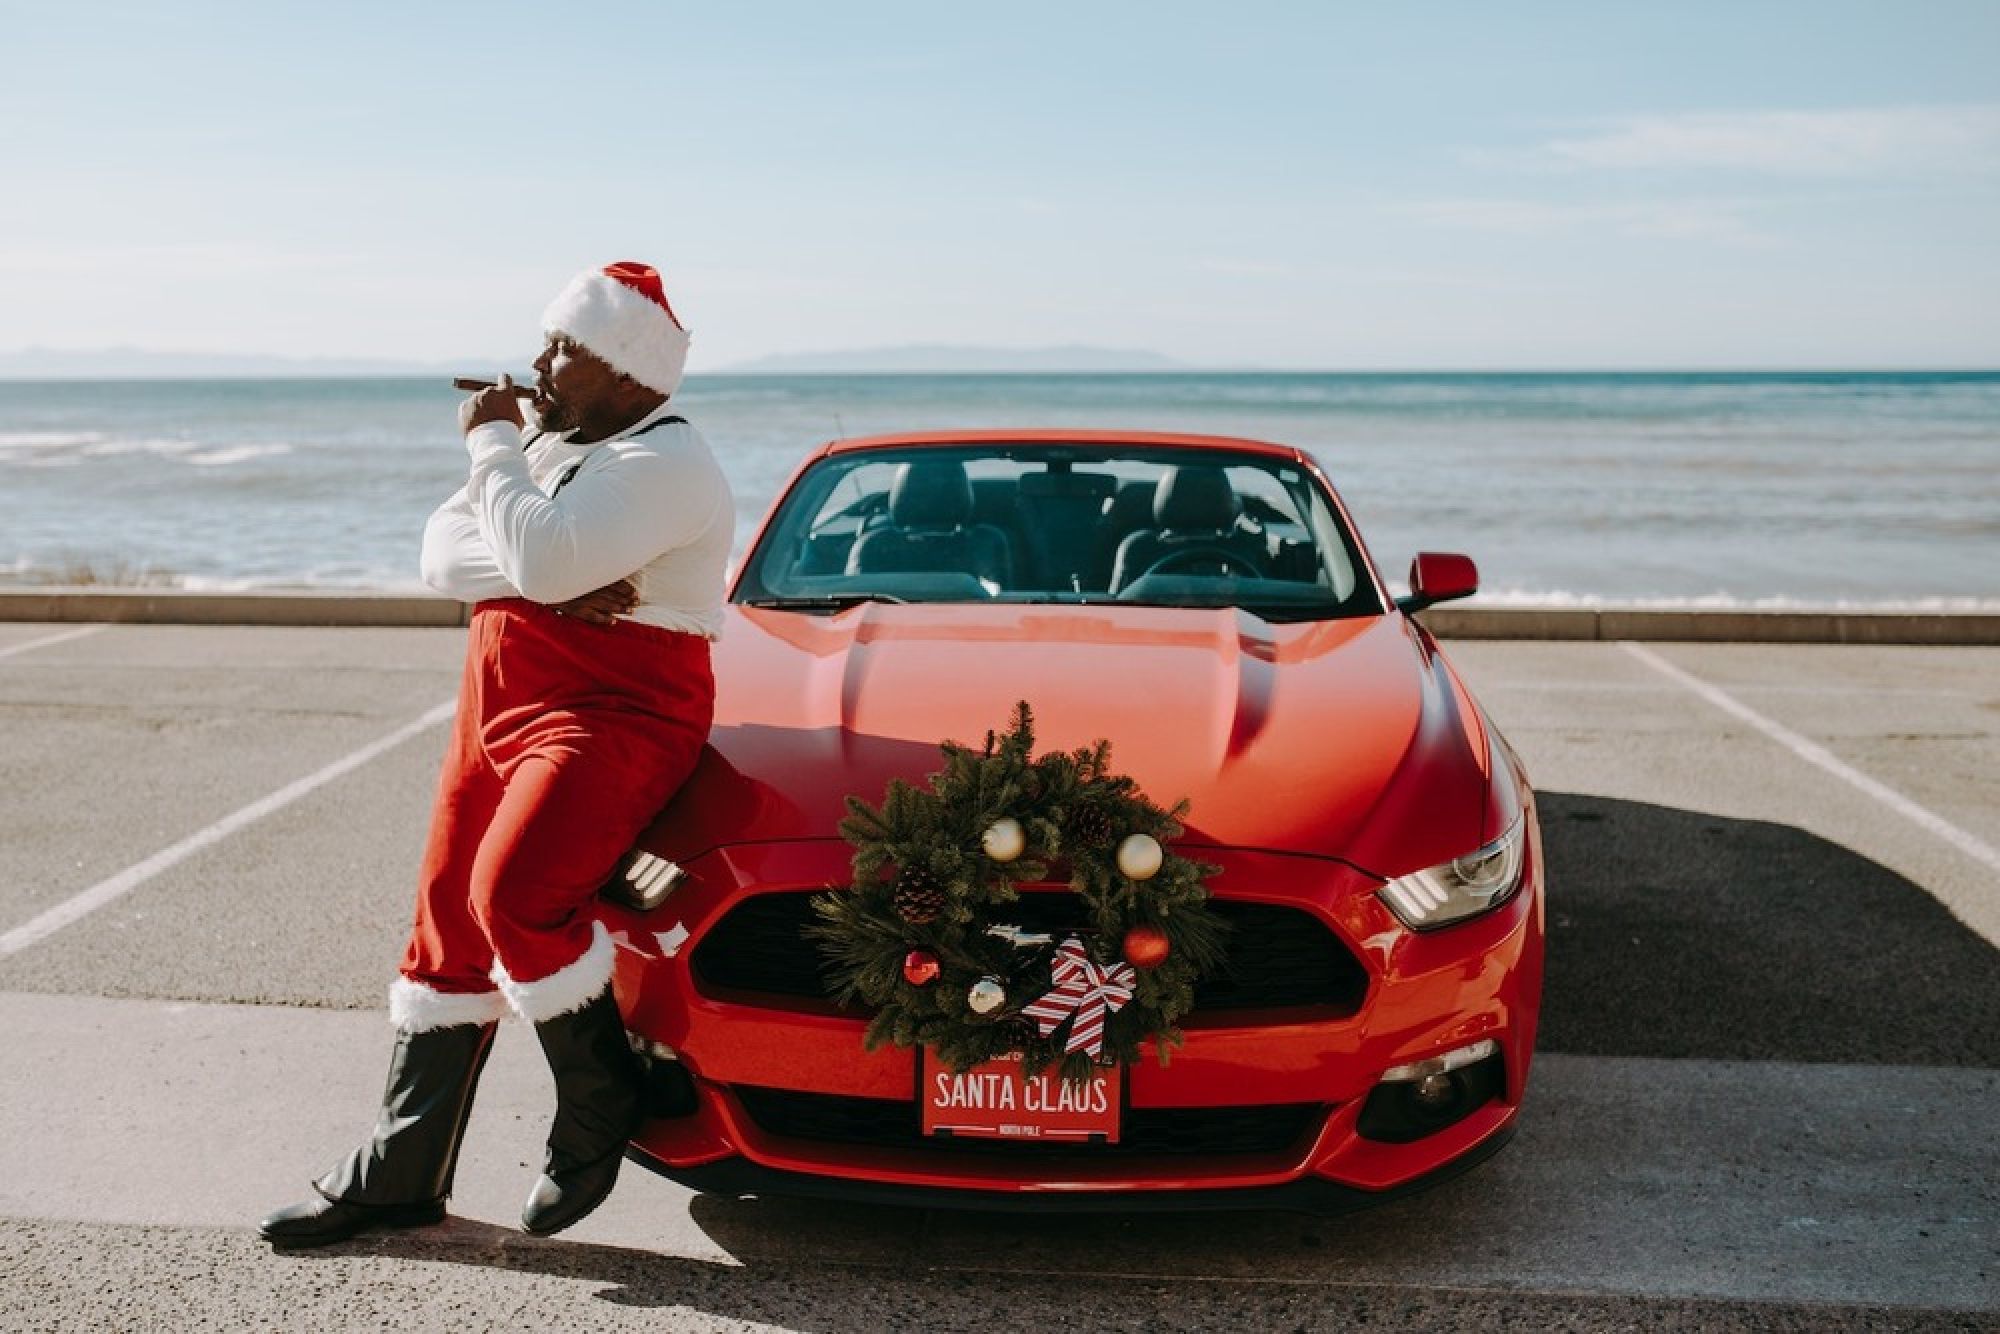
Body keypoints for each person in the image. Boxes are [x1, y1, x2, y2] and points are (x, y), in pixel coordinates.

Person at [260, 261, 733, 1247]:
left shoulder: (668, 462)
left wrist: (494, 453)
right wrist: (540, 563)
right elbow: (442, 552)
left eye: (563, 348)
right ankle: (399, 1168)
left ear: (627, 371)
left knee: (514, 891)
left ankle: (602, 1101)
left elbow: (542, 555)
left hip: (613, 708)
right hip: (500, 700)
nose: (536, 363)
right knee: (443, 926)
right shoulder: (556, 445)